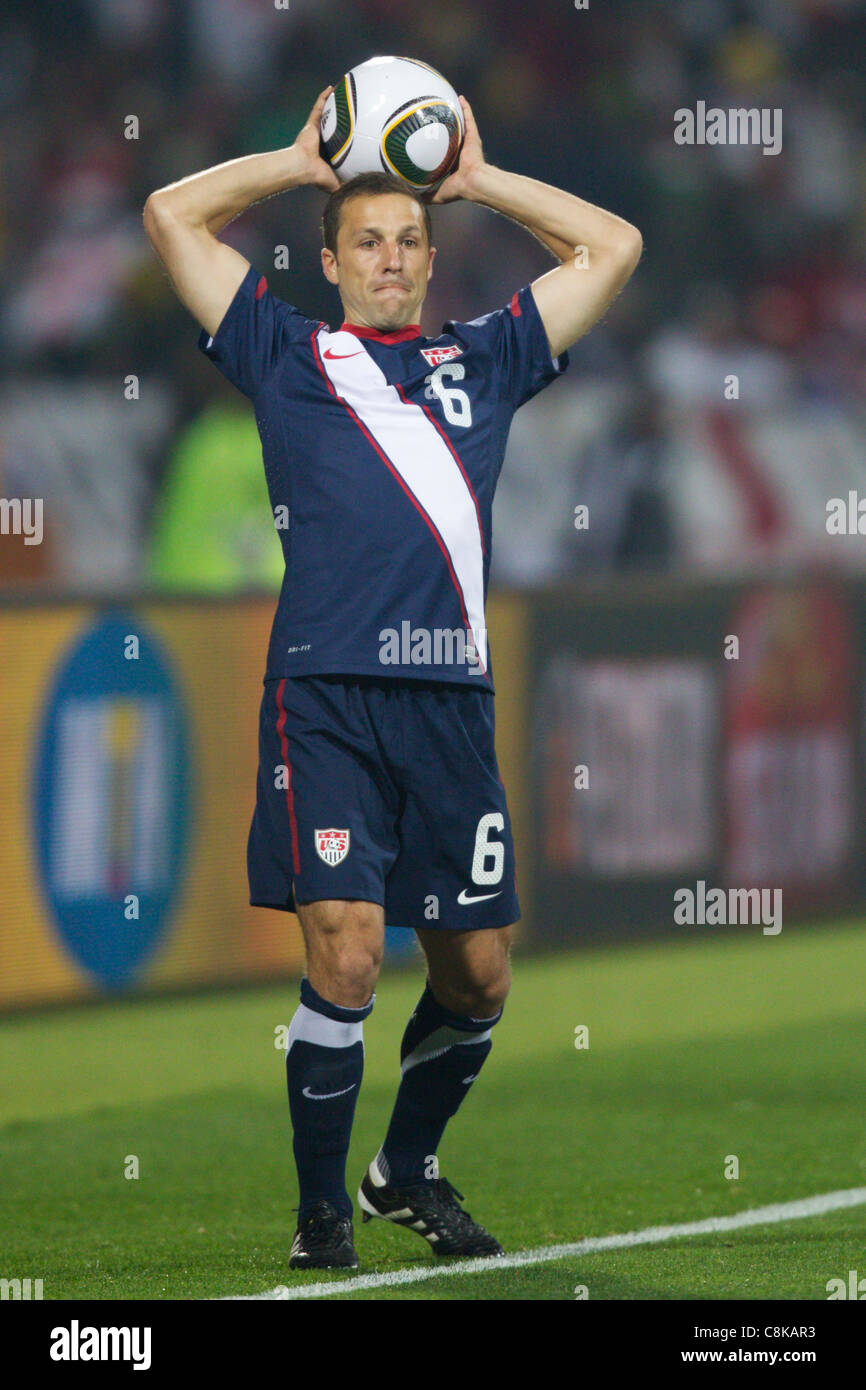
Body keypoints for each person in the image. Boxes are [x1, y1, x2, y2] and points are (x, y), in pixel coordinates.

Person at [143, 85, 641, 1270]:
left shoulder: (488, 356)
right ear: (328, 260)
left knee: (477, 974)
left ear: (430, 259)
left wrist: (477, 180)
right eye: (366, 240)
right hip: (323, 696)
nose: (389, 260)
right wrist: (292, 160)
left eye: (409, 241)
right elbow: (169, 215)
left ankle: (402, 1168)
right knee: (350, 950)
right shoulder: (285, 351)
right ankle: (323, 1217)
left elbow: (611, 246)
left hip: (449, 706)